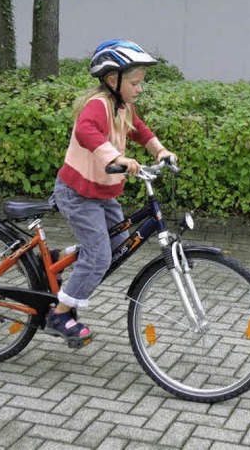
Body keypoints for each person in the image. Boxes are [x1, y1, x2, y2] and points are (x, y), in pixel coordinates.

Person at [47, 40, 177, 346]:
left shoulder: (123, 106)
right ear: (111, 79)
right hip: (77, 193)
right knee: (99, 254)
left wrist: (160, 151)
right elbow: (85, 131)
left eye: (141, 83)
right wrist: (116, 157)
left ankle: (57, 261)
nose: (139, 89)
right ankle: (60, 314)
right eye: (135, 82)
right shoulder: (98, 105)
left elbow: (139, 130)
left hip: (102, 194)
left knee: (118, 243)